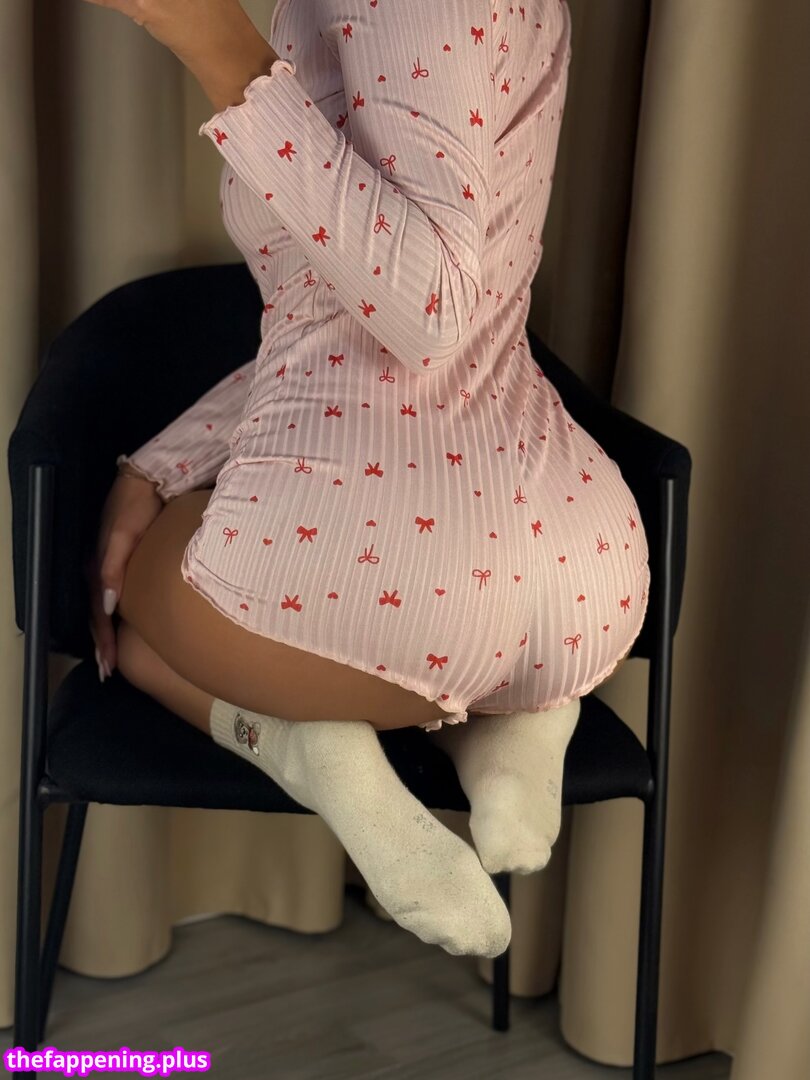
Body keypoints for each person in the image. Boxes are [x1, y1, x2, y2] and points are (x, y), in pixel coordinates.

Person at [84, 0, 650, 960]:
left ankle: (314, 751)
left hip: (395, 580)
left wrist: (214, 41)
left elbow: (424, 309)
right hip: (579, 568)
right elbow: (363, 321)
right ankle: (499, 731)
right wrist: (165, 462)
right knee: (164, 550)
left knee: (132, 619)